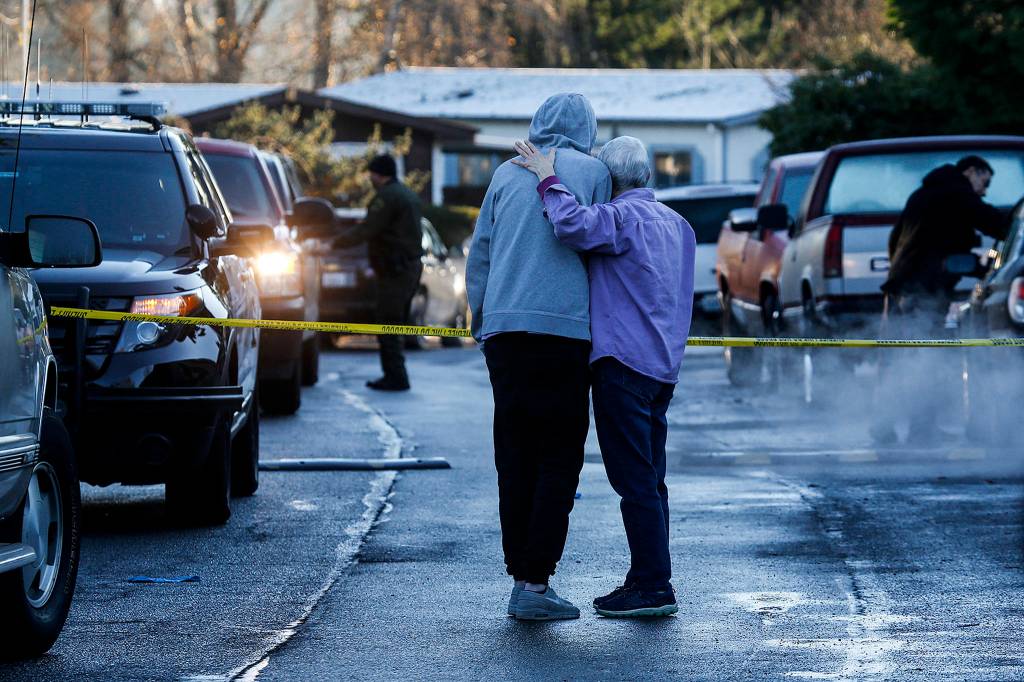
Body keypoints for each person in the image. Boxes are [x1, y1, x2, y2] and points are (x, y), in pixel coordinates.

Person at [513, 136, 696, 618]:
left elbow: (570, 224)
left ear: (607, 179)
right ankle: (648, 575)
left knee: (633, 479)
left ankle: (654, 586)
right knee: (652, 480)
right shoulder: (679, 226)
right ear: (649, 175)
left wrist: (547, 176)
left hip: (622, 365)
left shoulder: (621, 219)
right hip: (663, 366)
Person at [466, 93, 612, 621]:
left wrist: (479, 316)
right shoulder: (594, 171)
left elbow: (480, 250)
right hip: (565, 333)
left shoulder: (505, 175)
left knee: (514, 453)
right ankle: (535, 580)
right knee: (558, 456)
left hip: (504, 330)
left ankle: (519, 576)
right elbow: (601, 246)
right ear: (586, 127)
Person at [872, 155, 1009, 445]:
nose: (984, 191)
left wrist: (972, 265)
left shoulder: (923, 195)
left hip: (899, 287)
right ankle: (922, 432)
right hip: (922, 290)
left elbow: (900, 239)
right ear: (971, 171)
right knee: (925, 356)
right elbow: (995, 224)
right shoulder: (955, 191)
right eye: (984, 182)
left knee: (898, 358)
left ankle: (883, 426)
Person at [334, 154, 423, 391]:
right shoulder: (407, 194)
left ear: (379, 173)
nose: (369, 178)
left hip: (396, 270)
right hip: (408, 267)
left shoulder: (386, 197)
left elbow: (367, 229)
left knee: (388, 323)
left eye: (371, 173)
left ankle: (395, 377)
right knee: (395, 324)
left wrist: (333, 244)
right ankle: (396, 374)